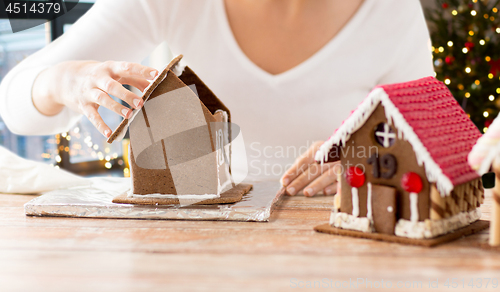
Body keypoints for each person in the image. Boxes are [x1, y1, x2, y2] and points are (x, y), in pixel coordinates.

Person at [0, 0, 434, 197]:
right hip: (195, 248)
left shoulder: (391, 12)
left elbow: (430, 146)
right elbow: (16, 107)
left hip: (333, 254)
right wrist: (68, 80)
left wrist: (371, 157)